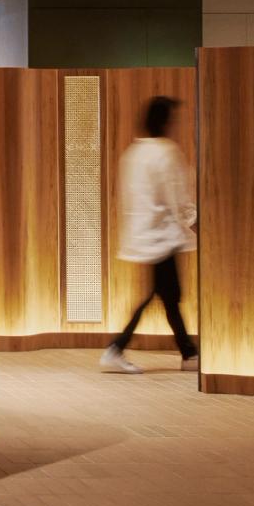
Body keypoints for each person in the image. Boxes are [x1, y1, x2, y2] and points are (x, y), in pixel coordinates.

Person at [101, 95, 200, 374]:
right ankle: (116, 348)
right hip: (163, 236)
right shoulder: (165, 152)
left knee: (167, 295)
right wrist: (193, 221)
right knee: (165, 294)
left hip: (146, 236)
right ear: (166, 121)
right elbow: (176, 195)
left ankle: (188, 353)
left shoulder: (134, 153)